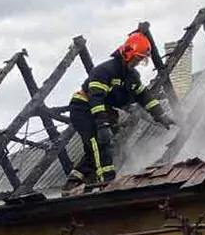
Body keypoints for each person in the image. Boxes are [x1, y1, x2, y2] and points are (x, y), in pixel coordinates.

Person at [65, 32, 177, 192]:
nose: (137, 63)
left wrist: (160, 115)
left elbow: (144, 96)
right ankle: (106, 183)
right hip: (83, 108)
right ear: (127, 53)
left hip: (101, 111)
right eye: (137, 59)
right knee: (98, 143)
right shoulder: (105, 71)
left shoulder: (131, 76)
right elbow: (96, 98)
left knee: (99, 148)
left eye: (141, 60)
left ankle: (73, 181)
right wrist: (102, 125)